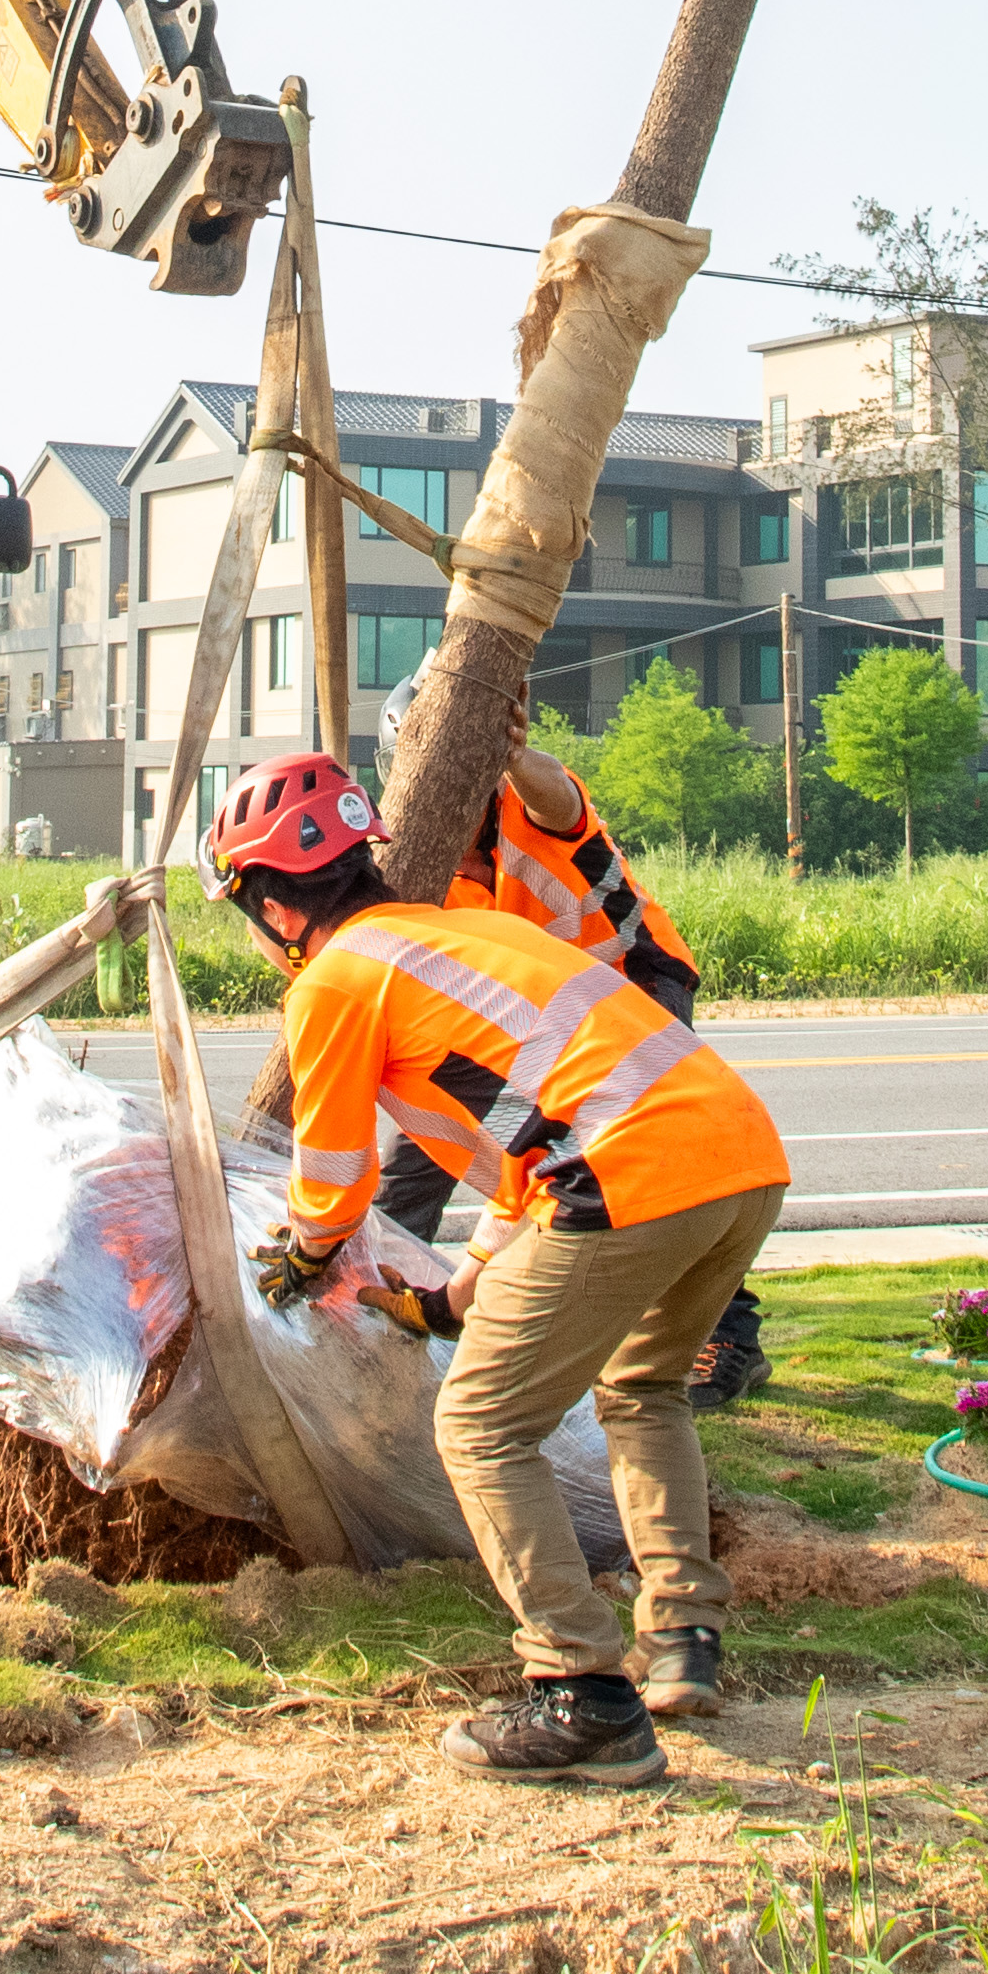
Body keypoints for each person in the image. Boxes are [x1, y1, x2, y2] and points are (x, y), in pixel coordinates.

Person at [206, 753, 791, 1786]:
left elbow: (333, 1177)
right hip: (739, 1157)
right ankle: (683, 1634)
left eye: (245, 909)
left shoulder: (337, 977)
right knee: (642, 1388)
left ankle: (581, 1693)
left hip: (628, 1176)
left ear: (273, 904)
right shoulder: (467, 934)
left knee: (480, 1425)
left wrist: (301, 1255)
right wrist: (446, 1299)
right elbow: (523, 1158)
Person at [372, 659, 772, 1407]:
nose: (448, 803)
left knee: (660, 1163)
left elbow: (557, 798)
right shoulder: (419, 871)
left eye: (462, 781)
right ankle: (391, 1310)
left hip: (636, 982)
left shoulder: (531, 801)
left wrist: (514, 755)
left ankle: (728, 1340)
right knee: (422, 1156)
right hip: (544, 1026)